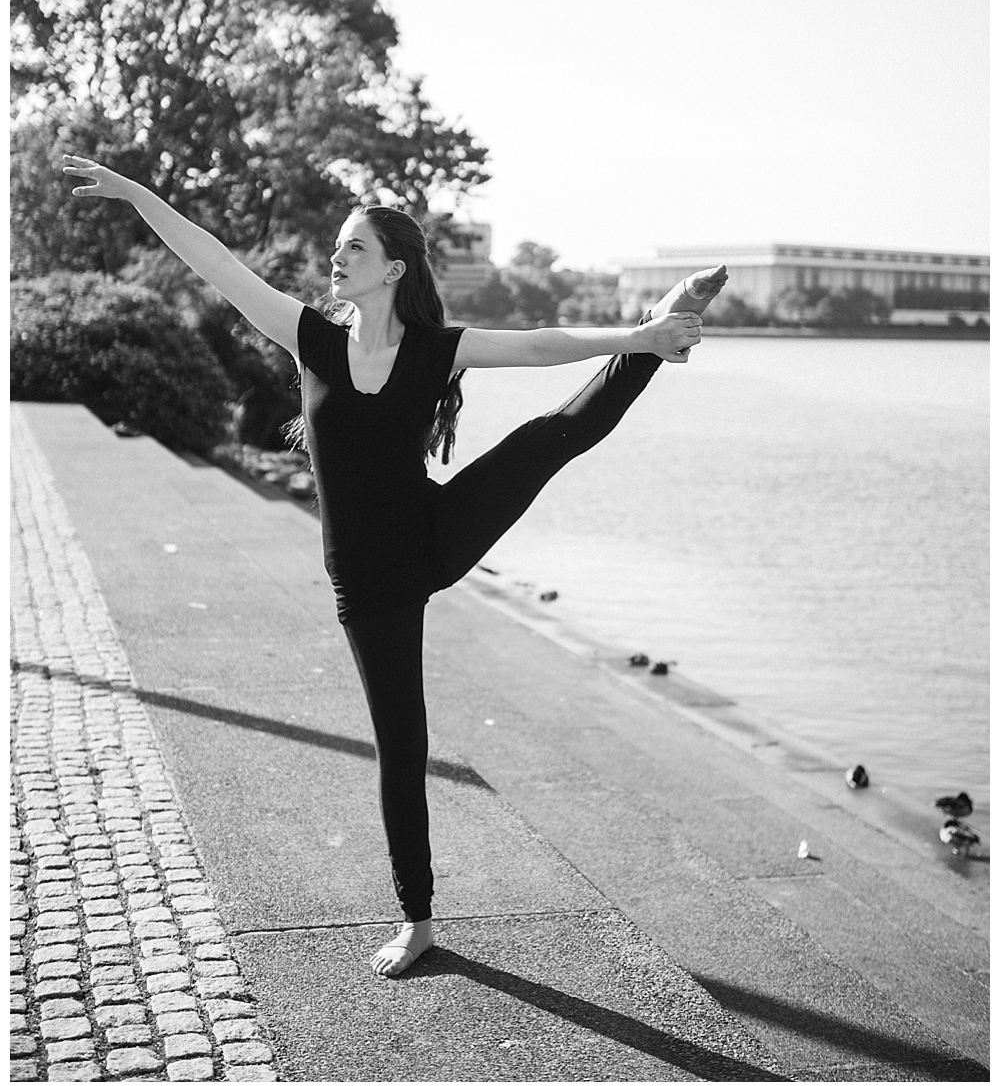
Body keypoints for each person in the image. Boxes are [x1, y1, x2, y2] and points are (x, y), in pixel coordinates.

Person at [62, 155, 727, 977]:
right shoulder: (309, 336)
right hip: (367, 581)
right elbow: (215, 260)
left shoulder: (437, 350)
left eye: (355, 248)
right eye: (338, 247)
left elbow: (545, 344)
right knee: (401, 743)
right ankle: (418, 920)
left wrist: (640, 337)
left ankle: (664, 332)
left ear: (393, 270)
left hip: (433, 535)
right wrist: (136, 195)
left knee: (545, 437)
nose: (336, 258)